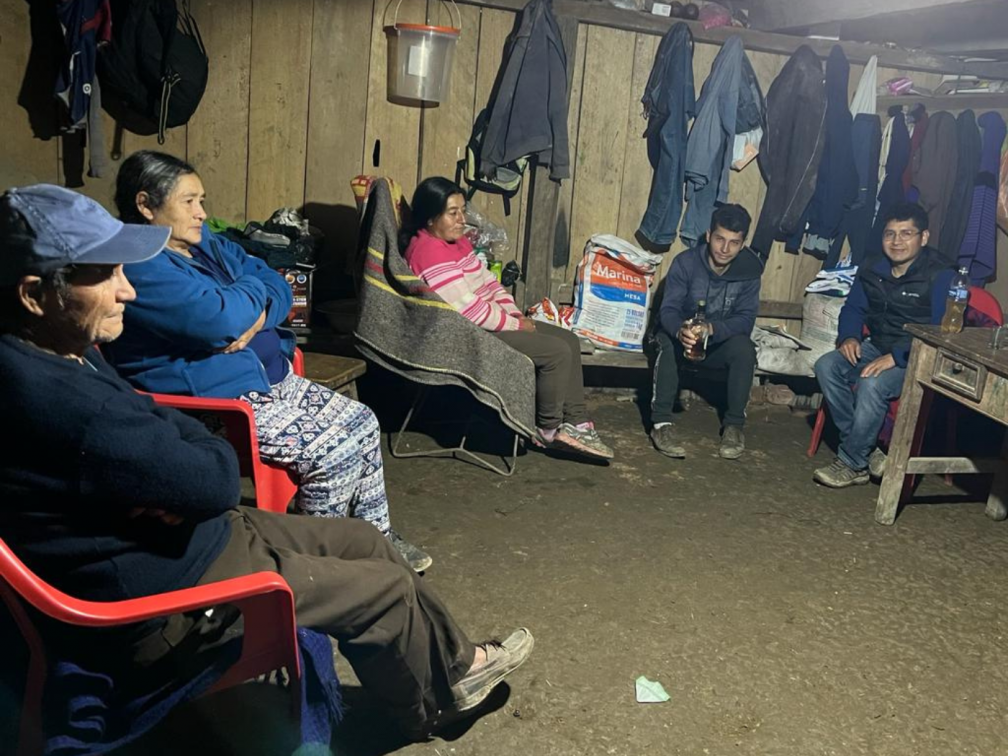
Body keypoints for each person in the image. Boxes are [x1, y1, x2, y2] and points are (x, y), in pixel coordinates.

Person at [0, 184, 534, 743]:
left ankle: (459, 664)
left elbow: (158, 420)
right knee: (384, 591)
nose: (126, 290)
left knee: (365, 540)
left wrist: (170, 448)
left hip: (185, 536)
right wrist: (186, 448)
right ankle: (429, 709)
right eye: (105, 275)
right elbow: (214, 477)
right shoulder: (65, 404)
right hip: (170, 596)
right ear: (36, 294)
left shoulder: (55, 350)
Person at [100, 151, 430, 572]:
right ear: (146, 205)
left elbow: (278, 280)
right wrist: (245, 304)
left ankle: (375, 540)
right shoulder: (140, 263)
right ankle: (317, 564)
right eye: (189, 202)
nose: (202, 212)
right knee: (335, 450)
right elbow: (216, 321)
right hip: (215, 399)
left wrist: (249, 316)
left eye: (202, 200)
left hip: (267, 378)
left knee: (363, 421)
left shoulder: (206, 245)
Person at [402, 176, 613, 460]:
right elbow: (470, 311)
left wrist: (512, 313)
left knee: (569, 338)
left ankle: (577, 422)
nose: (461, 219)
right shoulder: (429, 251)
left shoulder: (457, 242)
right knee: (556, 352)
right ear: (429, 219)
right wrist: (515, 324)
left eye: (463, 210)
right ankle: (547, 430)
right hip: (468, 335)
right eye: (453, 213)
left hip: (492, 322)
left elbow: (490, 283)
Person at [813, 202, 955, 488]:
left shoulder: (941, 274)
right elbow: (853, 309)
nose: (897, 242)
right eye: (890, 234)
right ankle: (866, 450)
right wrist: (850, 337)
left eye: (906, 234)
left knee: (872, 384)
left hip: (919, 355)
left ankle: (852, 463)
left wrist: (897, 356)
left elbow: (941, 332)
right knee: (826, 365)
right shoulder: (871, 267)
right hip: (876, 345)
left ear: (923, 238)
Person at [650, 204, 761, 460]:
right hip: (681, 339)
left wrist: (713, 329)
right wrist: (681, 331)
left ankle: (734, 427)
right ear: (709, 235)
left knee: (744, 349)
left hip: (715, 343)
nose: (725, 248)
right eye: (720, 239)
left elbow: (745, 320)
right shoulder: (685, 263)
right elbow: (668, 310)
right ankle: (661, 425)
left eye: (734, 242)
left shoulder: (750, 272)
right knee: (664, 342)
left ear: (743, 243)